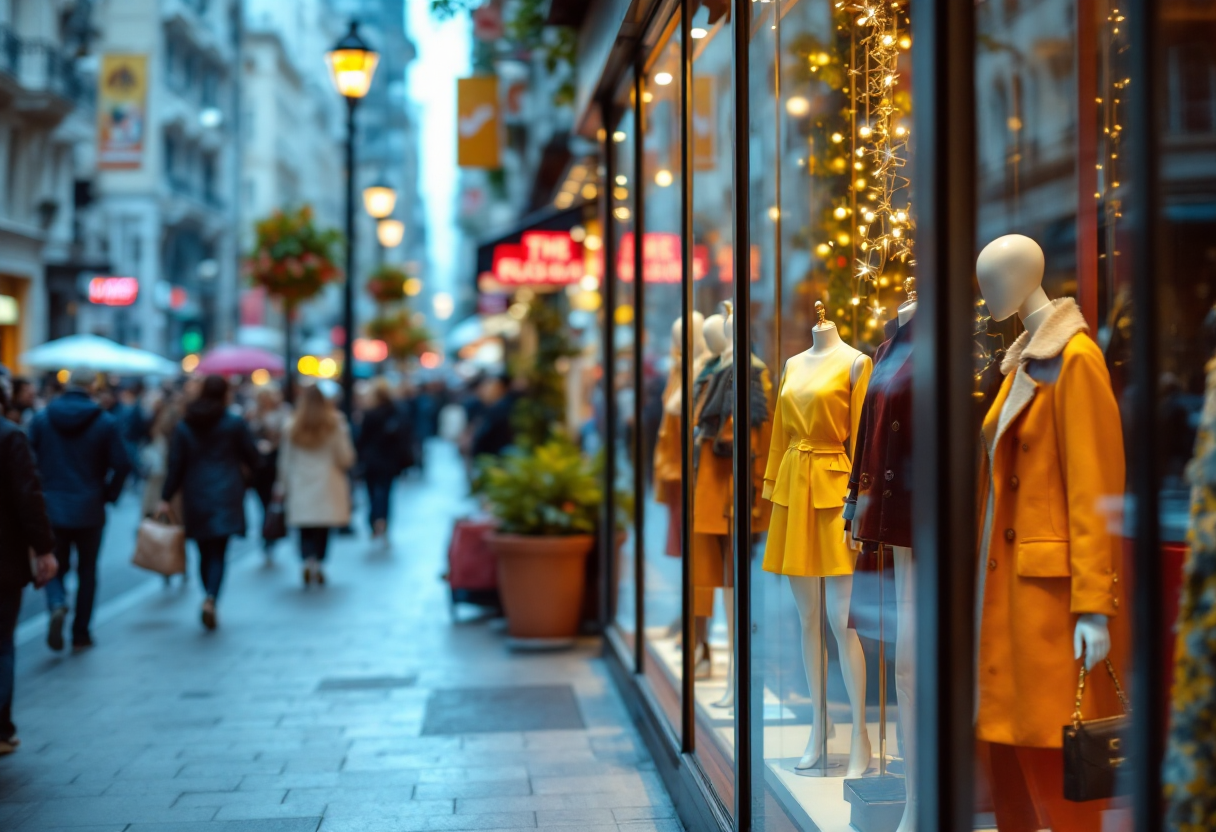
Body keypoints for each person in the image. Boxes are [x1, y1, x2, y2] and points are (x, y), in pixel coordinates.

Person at [28, 369, 131, 651]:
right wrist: (109, 494)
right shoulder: (105, 421)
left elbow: (27, 461)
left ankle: (57, 602)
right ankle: (81, 632)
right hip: (90, 505)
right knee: (87, 571)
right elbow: (123, 463)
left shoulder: (43, 418)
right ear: (92, 388)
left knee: (51, 563)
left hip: (51, 504)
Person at [160, 375, 259, 630]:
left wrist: (166, 497)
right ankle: (211, 597)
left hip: (196, 493)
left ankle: (207, 595)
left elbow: (175, 465)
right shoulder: (234, 422)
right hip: (226, 492)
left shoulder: (185, 424)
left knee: (204, 550)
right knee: (219, 551)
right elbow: (253, 458)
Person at [0, 372, 57, 755]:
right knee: (2, 642)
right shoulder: (9, 436)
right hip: (2, 557)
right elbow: (28, 498)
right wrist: (44, 549)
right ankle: (1, 729)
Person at [278, 384, 355, 586]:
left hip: (301, 482)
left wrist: (282, 485)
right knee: (323, 528)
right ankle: (319, 562)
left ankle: (306, 559)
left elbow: (286, 460)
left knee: (305, 527)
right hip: (327, 482)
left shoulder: (292, 425)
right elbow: (345, 457)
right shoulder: (335, 424)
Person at [245, 385, 290, 562]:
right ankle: (267, 533)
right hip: (259, 466)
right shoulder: (252, 414)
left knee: (274, 501)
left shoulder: (283, 413)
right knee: (262, 503)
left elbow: (286, 438)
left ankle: (271, 534)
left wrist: (273, 443)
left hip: (275, 463)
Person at [358, 380, 405, 547]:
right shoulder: (396, 412)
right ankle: (383, 521)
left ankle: (374, 522)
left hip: (372, 461)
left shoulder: (370, 414)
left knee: (372, 493)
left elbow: (362, 439)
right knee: (385, 493)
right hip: (389, 461)